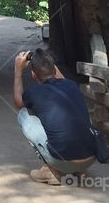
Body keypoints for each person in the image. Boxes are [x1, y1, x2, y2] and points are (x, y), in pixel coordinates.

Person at [12, 47, 96, 185]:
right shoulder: (71, 85)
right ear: (54, 69)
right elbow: (60, 78)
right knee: (77, 114)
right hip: (90, 158)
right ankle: (81, 171)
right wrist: (47, 62)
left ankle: (51, 170)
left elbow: (18, 102)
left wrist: (18, 70)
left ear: (33, 75)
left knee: (23, 114)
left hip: (62, 161)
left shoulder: (35, 92)